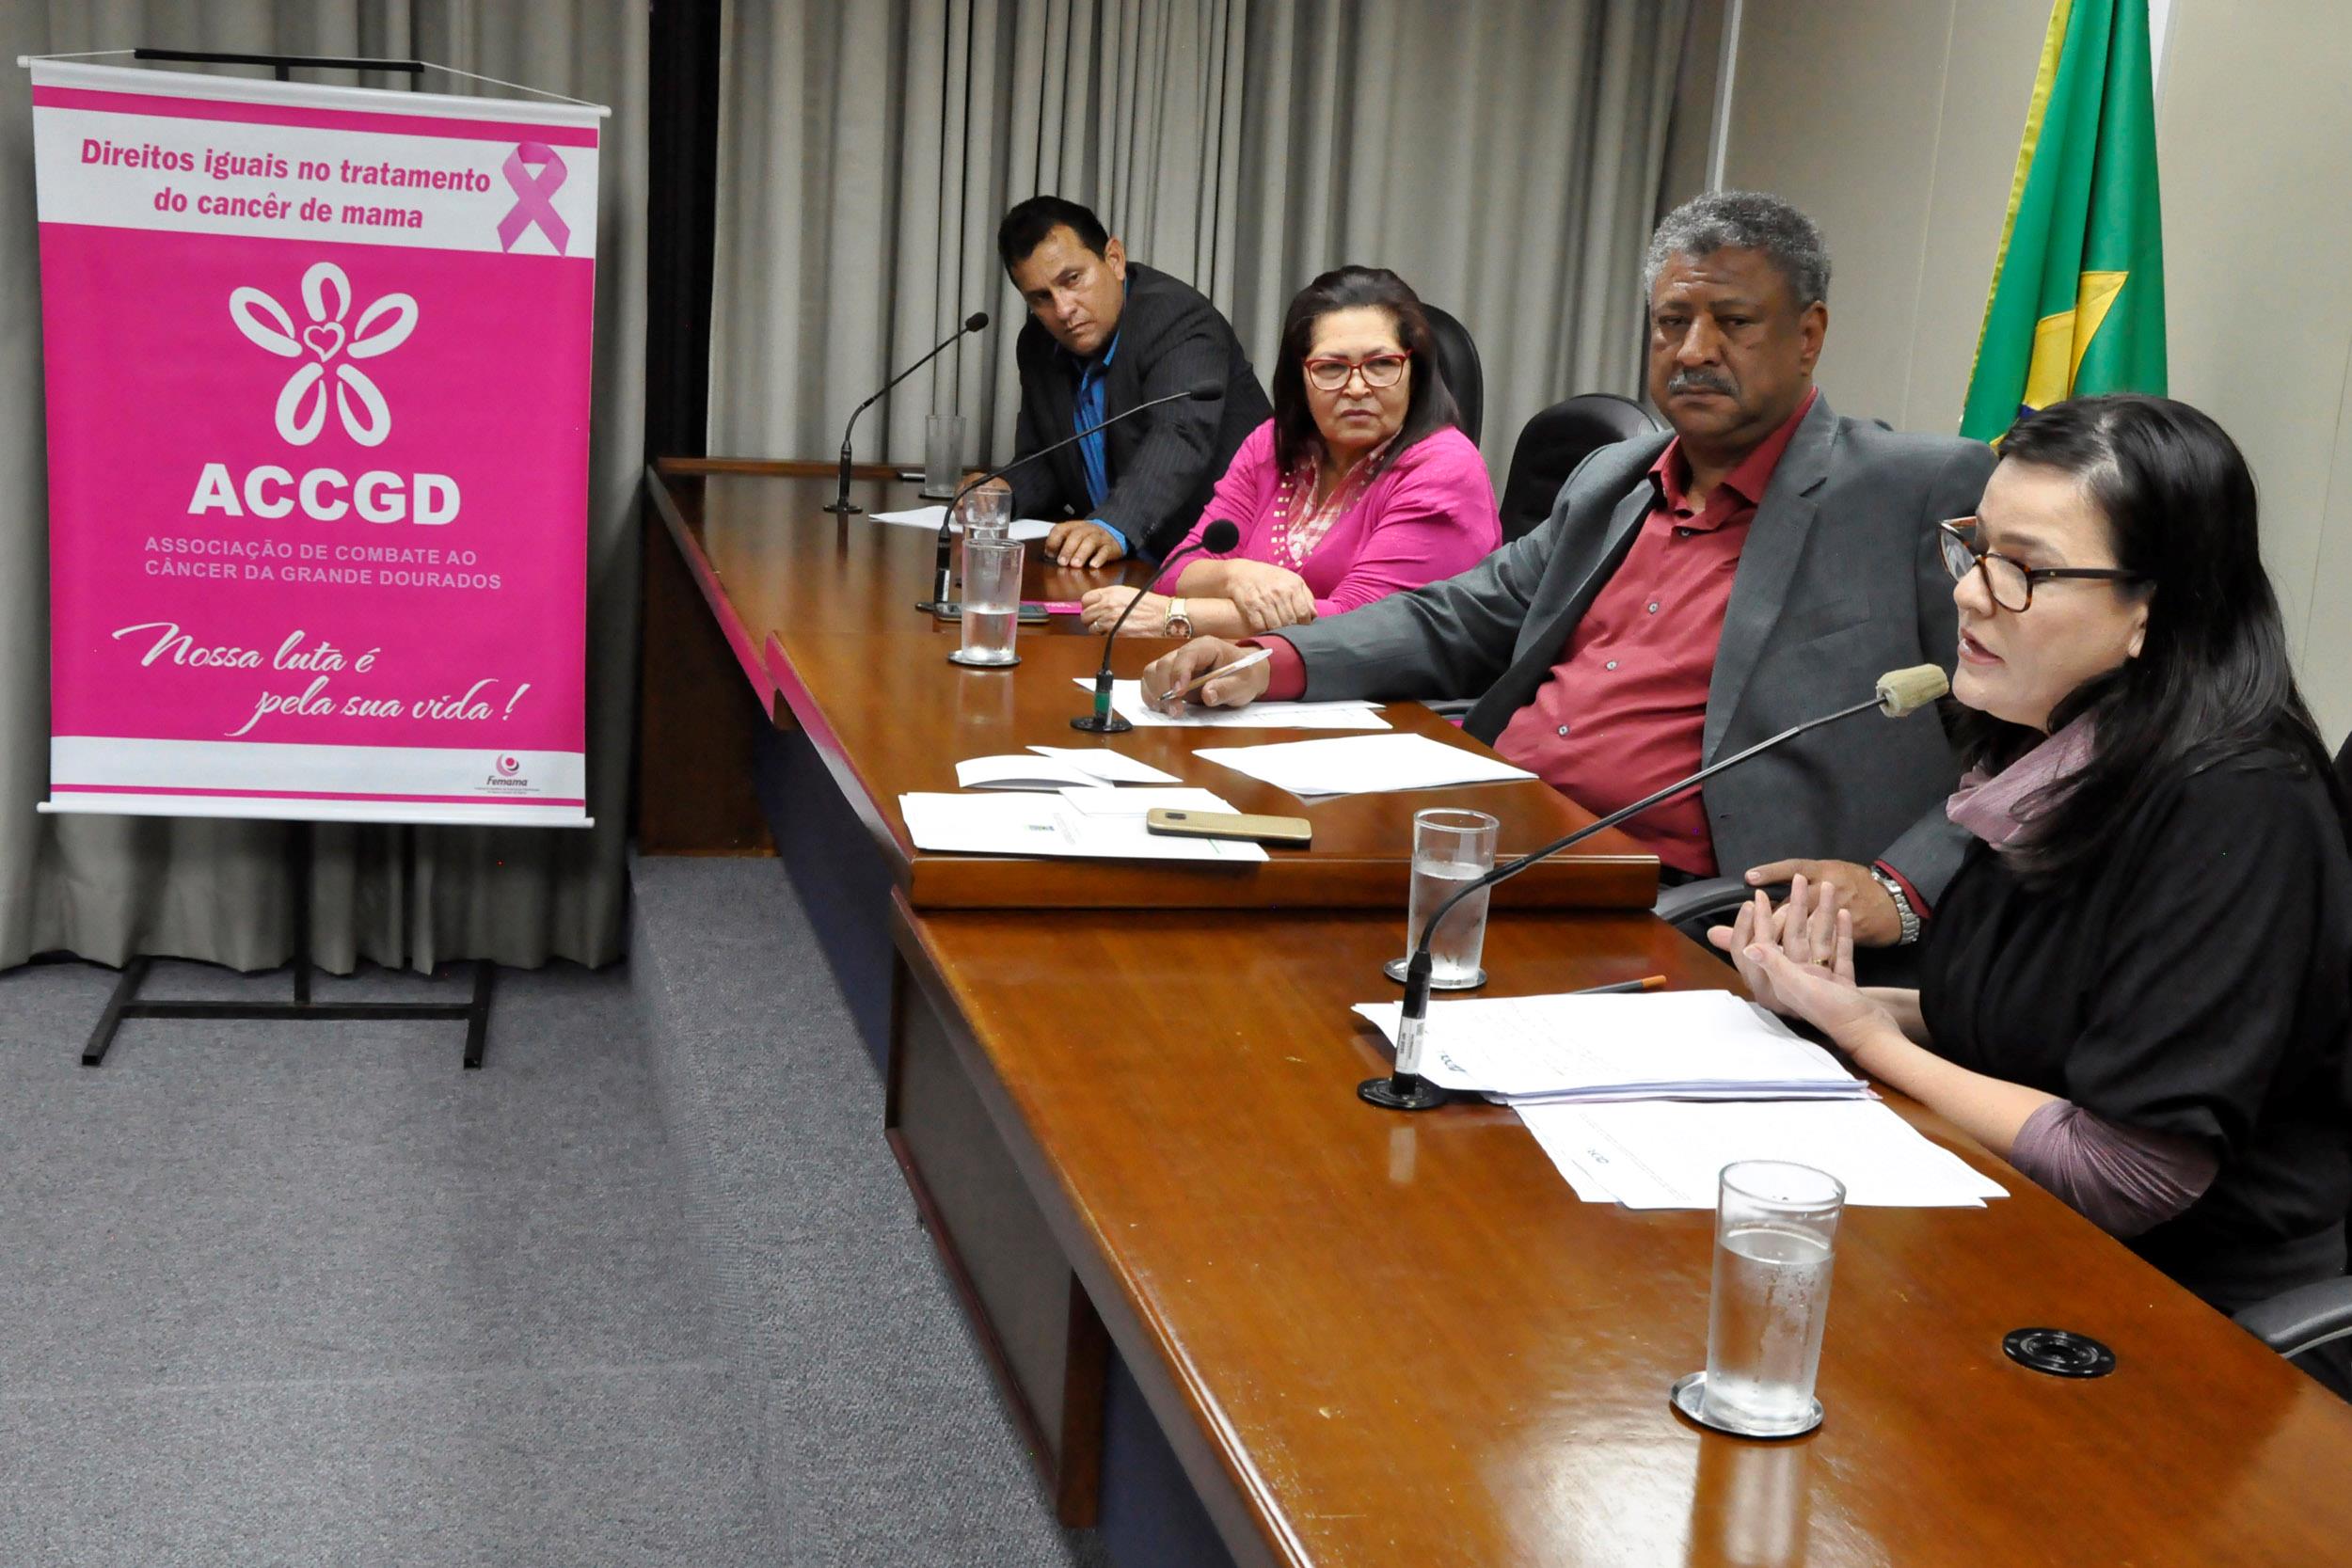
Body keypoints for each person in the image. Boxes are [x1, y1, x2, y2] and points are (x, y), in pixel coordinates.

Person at [1138, 191, 1994, 892]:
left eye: (1733, 322)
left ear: (1808, 336)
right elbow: (1458, 616)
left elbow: (2028, 740)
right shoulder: (1614, 478)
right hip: (1493, 825)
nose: (1694, 351)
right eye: (1671, 322)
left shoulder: (1908, 490)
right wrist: (1271, 659)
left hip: (1688, 892)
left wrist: (1901, 890)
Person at [1720, 395, 2352, 1333]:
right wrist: (1829, 998)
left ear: (2153, 608)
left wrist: (1873, 1040)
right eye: (1974, 547)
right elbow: (2035, 1023)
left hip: (2182, 1311)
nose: (1969, 592)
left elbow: (2129, 1172)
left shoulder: (2238, 806)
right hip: (2003, 1220)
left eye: (2023, 569)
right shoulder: (2054, 744)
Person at [1076, 266, 1500, 639]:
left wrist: (1176, 617)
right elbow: (1178, 571)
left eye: (1381, 365)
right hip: (1258, 678)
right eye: (1331, 368)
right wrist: (1236, 574)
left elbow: (1362, 624)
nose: (1357, 387)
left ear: (1414, 372)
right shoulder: (1272, 444)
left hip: (1392, 695)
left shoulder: (1444, 469)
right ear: (1300, 378)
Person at [993, 196, 1272, 566]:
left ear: (1114, 259)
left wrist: (1113, 524)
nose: (1063, 309)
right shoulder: (1038, 342)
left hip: (1222, 557)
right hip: (1124, 565)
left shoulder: (1176, 317)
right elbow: (1050, 457)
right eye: (1041, 297)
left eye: (1072, 280)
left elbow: (1180, 434)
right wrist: (1002, 493)